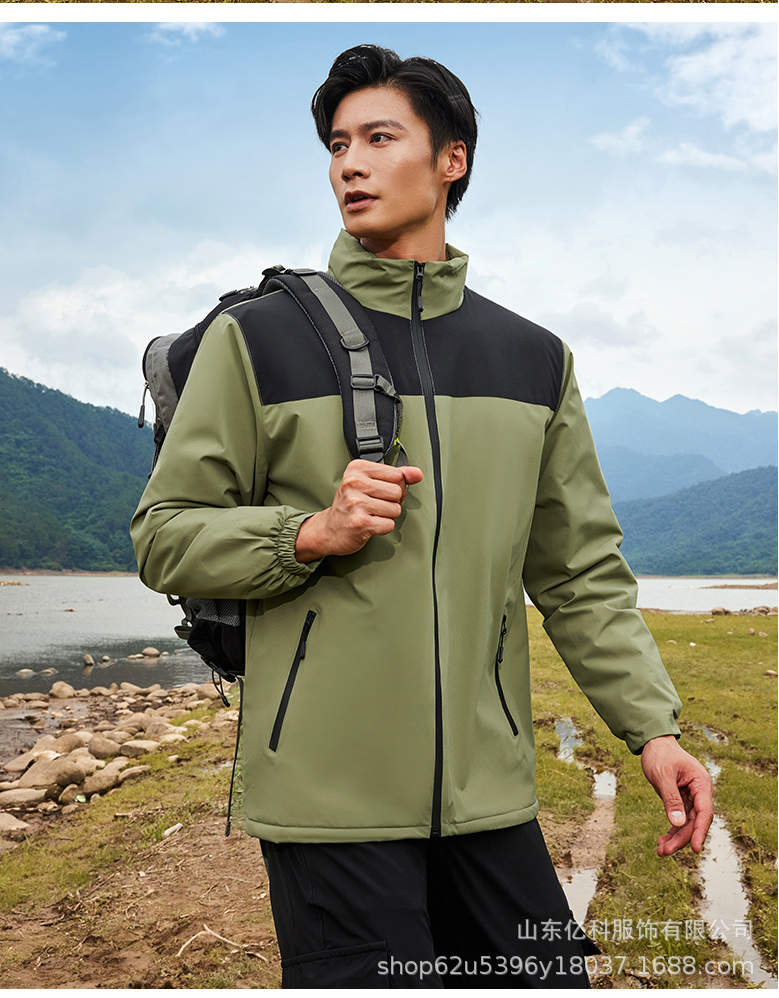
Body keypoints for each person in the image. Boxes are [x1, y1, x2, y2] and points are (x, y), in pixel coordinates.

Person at [131, 44, 713, 988]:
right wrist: (307, 533)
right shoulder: (256, 339)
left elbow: (579, 574)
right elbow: (164, 535)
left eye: (378, 138)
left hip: (490, 793)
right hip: (325, 795)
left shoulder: (534, 358)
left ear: (452, 159)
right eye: (337, 145)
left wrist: (653, 729)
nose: (349, 166)